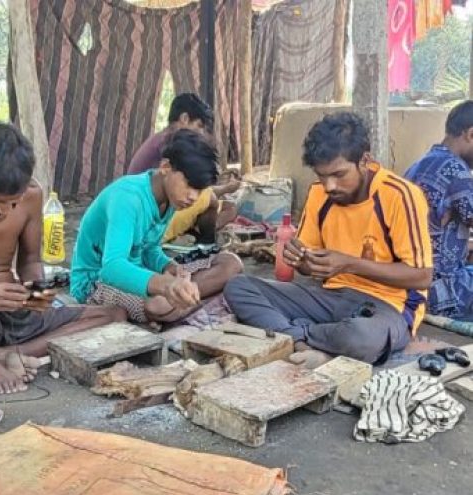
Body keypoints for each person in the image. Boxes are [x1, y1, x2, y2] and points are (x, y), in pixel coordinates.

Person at [224, 112, 433, 364]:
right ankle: (303, 341)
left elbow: (422, 276)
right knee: (239, 286)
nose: (330, 186)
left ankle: (293, 333)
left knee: (360, 338)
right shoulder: (319, 194)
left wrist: (348, 263)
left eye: (339, 174)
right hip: (329, 297)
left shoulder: (399, 195)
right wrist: (300, 259)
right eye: (322, 176)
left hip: (387, 306)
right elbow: (307, 267)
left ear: (364, 161)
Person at [0, 123, 125, 394]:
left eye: (13, 202)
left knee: (114, 315)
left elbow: (30, 260)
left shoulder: (32, 195)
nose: (4, 211)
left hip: (6, 312)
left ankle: (3, 353)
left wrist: (35, 297)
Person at [71, 129, 242, 324]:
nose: (193, 197)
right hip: (96, 281)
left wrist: (170, 267)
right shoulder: (127, 198)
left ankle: (185, 300)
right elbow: (112, 267)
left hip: (140, 270)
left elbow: (149, 248)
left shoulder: (169, 198)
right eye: (190, 185)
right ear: (166, 167)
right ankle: (191, 299)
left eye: (200, 190)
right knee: (159, 305)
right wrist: (165, 285)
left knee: (231, 264)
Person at [128, 93, 239, 244]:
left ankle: (195, 235)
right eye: (199, 126)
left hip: (153, 211)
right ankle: (205, 244)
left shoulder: (164, 138)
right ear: (185, 118)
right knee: (211, 199)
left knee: (228, 206)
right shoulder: (171, 144)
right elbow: (184, 188)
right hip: (148, 222)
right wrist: (226, 188)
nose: (200, 133)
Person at [405, 100, 473, 319]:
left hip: (408, 285)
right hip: (441, 292)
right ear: (470, 134)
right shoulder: (456, 170)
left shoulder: (418, 165)